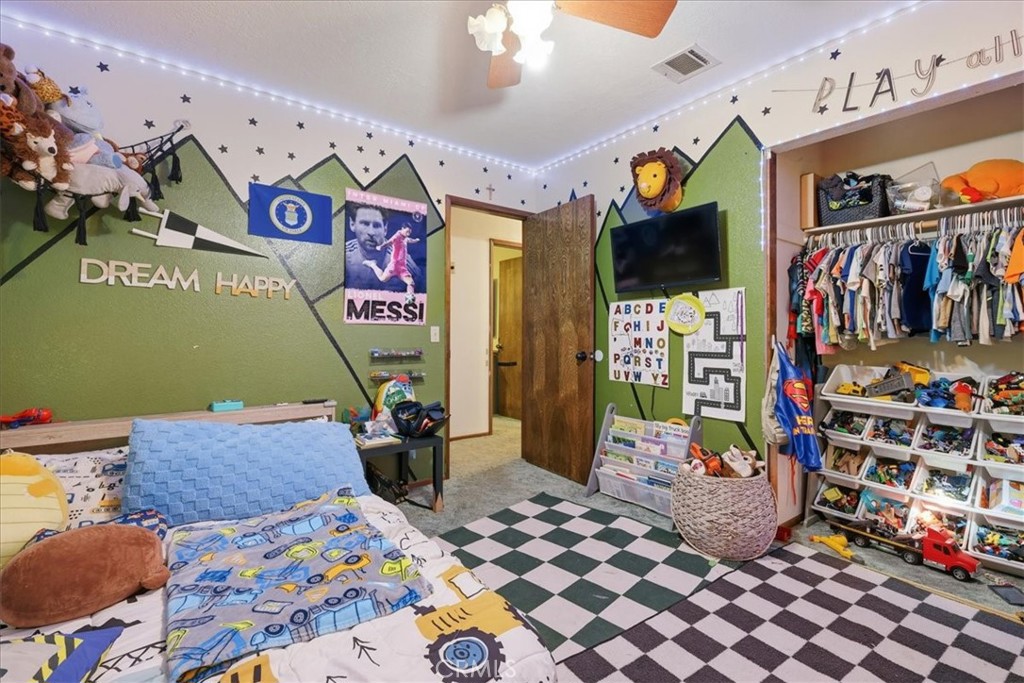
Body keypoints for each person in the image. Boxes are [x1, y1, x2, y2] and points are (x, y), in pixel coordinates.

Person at [344, 204, 422, 292]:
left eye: (376, 225)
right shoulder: (343, 256)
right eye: (365, 224)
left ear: (385, 229)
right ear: (352, 224)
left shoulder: (408, 265)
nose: (371, 232)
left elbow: (420, 292)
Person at [364, 224, 421, 302]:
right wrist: (381, 247)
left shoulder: (405, 237)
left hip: (402, 268)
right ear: (402, 228)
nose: (408, 234)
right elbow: (389, 242)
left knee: (411, 283)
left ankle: (409, 299)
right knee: (383, 279)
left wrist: (415, 240)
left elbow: (409, 239)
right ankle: (372, 264)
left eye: (409, 233)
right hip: (394, 266)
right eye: (407, 231)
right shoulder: (397, 236)